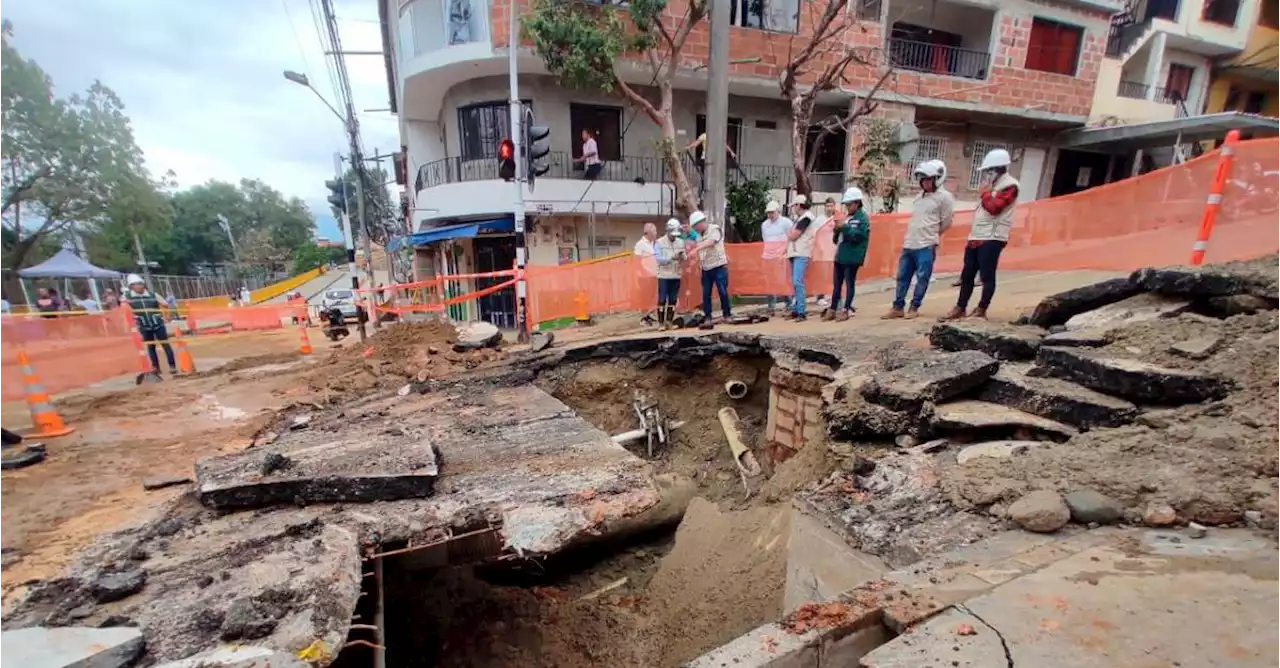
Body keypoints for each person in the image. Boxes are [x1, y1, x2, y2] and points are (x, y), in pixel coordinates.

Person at [942, 149, 1019, 321]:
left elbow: (994, 208)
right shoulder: (992, 186)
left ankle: (982, 308)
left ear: (998, 169)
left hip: (993, 237)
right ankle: (960, 307)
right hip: (976, 236)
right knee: (967, 274)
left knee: (986, 275)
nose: (986, 174)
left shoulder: (1010, 186)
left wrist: (984, 193)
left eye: (989, 171)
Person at [883, 159, 955, 320]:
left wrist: (932, 235)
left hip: (926, 244)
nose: (925, 182)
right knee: (902, 276)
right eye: (922, 179)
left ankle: (914, 306)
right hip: (910, 243)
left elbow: (946, 221)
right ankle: (897, 306)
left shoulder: (945, 198)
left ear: (937, 179)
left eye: (928, 179)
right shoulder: (918, 197)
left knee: (922, 277)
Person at [827, 187, 871, 322]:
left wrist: (844, 228)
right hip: (840, 255)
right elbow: (837, 239)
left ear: (857, 203)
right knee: (837, 284)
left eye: (849, 204)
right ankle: (833, 308)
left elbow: (859, 236)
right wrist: (836, 230)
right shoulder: (846, 218)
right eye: (846, 205)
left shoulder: (862, 218)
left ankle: (846, 309)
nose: (847, 207)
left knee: (849, 283)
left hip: (852, 257)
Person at [125, 273, 178, 379]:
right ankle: (155, 367)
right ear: (131, 286)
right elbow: (123, 308)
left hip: (158, 324)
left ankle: (172, 366)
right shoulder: (128, 297)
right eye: (136, 284)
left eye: (140, 284)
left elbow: (165, 305)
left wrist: (167, 316)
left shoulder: (153, 295)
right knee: (151, 347)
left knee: (165, 345)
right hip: (144, 326)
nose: (139, 286)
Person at [691, 210, 731, 330]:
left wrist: (696, 249)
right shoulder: (698, 236)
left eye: (695, 226)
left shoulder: (715, 229)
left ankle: (727, 314)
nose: (695, 228)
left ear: (701, 222)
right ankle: (708, 316)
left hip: (718, 265)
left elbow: (711, 242)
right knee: (706, 294)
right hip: (706, 268)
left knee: (722, 291)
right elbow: (701, 251)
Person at [784, 195, 818, 321]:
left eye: (794, 206)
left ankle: (801, 311)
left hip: (801, 252)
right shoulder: (801, 218)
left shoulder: (806, 218)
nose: (793, 208)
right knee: (795, 282)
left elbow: (794, 235)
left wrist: (788, 234)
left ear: (799, 205)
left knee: (797, 281)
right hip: (796, 252)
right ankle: (797, 308)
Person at [653, 219, 687, 330]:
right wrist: (671, 258)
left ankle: (669, 321)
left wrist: (682, 257)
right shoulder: (659, 242)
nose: (673, 237)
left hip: (676, 274)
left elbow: (685, 257)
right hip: (663, 275)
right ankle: (661, 323)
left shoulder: (680, 242)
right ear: (667, 231)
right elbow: (658, 258)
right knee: (662, 299)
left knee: (673, 299)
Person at [759, 200, 793, 314]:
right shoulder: (764, 225)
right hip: (768, 257)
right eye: (768, 212)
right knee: (769, 281)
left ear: (778, 211)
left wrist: (785, 252)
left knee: (783, 280)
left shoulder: (786, 223)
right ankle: (771, 305)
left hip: (781, 257)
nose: (770, 215)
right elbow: (765, 240)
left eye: (772, 212)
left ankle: (789, 303)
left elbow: (791, 238)